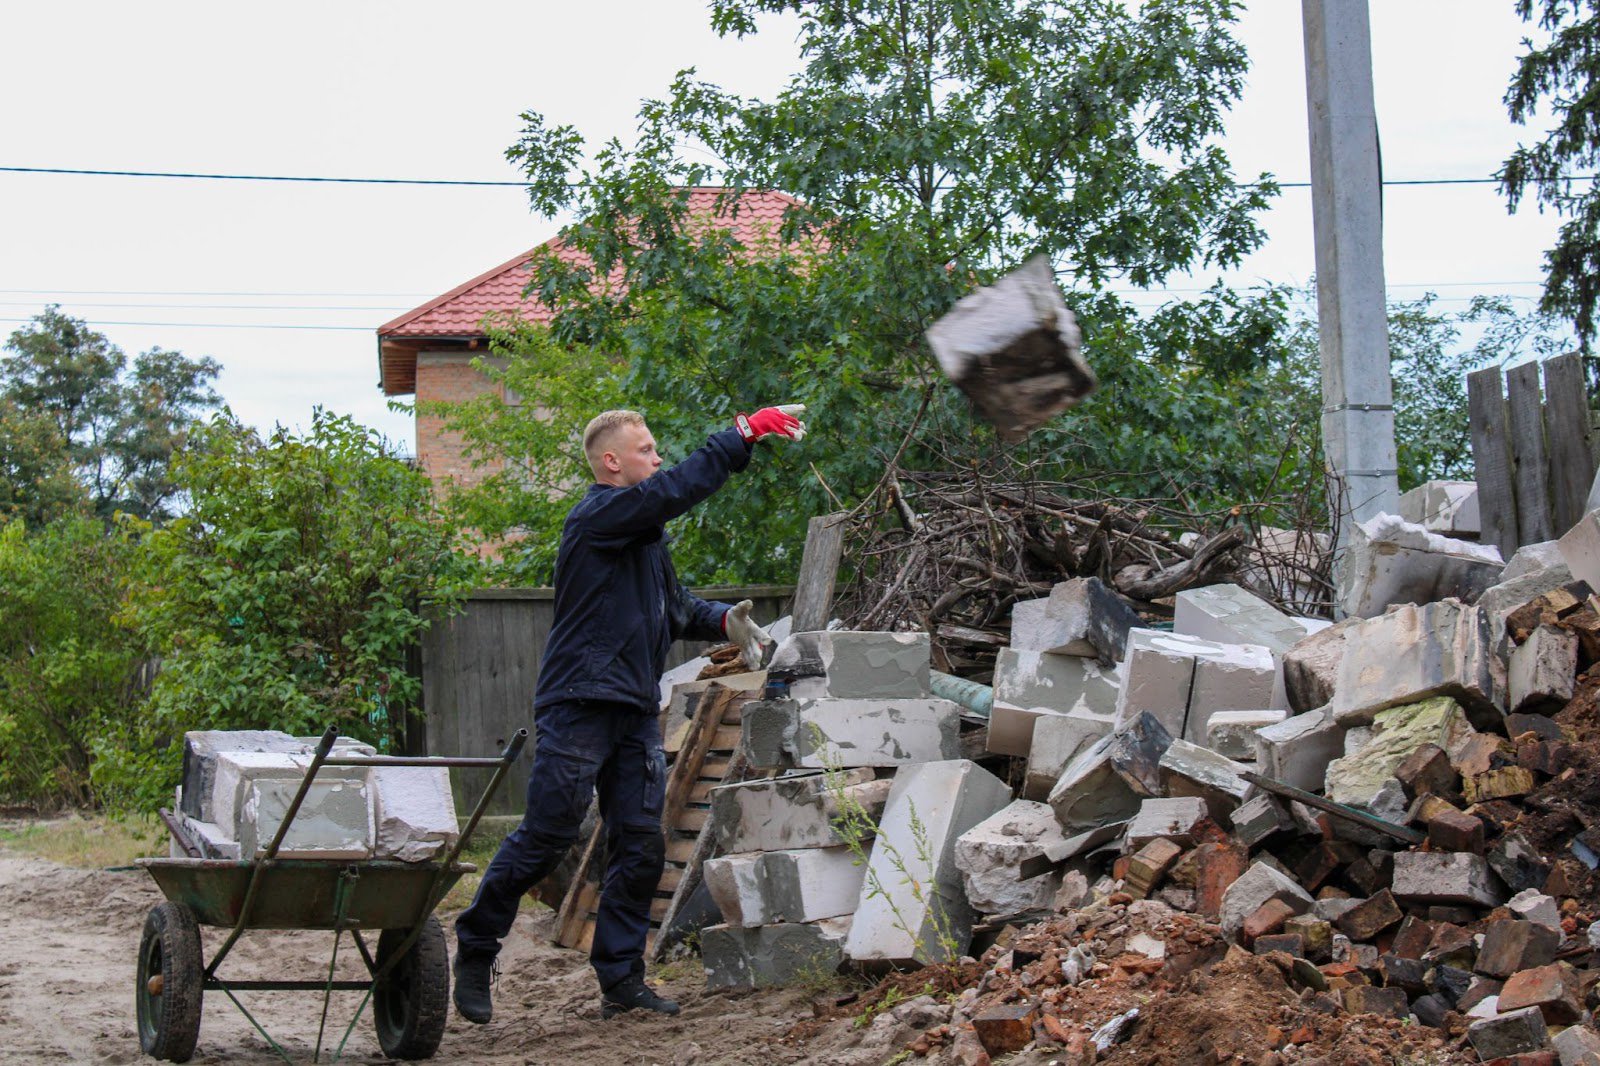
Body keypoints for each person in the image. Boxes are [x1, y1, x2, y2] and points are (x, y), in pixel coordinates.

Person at [452, 404, 807, 1023]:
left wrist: (722, 619)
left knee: (640, 846)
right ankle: (476, 947)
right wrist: (739, 435)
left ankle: (621, 980)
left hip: (634, 710)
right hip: (579, 704)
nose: (658, 457)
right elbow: (670, 493)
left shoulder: (640, 538)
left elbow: (672, 606)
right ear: (612, 462)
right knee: (547, 835)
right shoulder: (598, 516)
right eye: (646, 449)